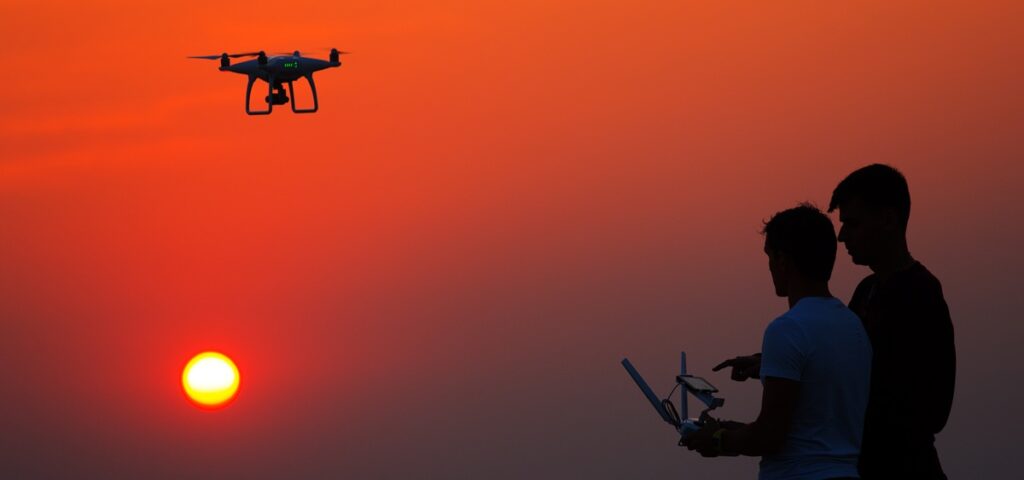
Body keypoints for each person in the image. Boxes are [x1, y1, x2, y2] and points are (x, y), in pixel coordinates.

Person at [716, 165, 956, 479]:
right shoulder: (866, 292)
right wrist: (771, 364)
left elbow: (933, 408)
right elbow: (837, 359)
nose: (843, 236)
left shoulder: (920, 294)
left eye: (853, 224)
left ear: (888, 220)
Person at [683, 204, 872, 480]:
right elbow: (805, 430)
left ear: (783, 260)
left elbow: (770, 436)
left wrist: (719, 440)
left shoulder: (787, 330)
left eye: (769, 257)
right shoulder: (853, 326)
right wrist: (729, 429)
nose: (770, 267)